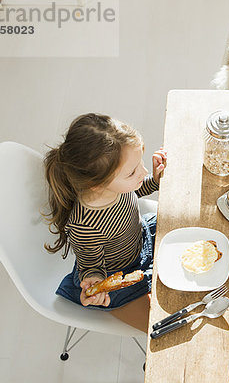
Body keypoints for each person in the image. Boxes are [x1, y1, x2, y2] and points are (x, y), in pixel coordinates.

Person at [43, 113, 167, 332]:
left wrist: (155, 180)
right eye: (133, 171)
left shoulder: (113, 186)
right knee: (161, 326)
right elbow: (91, 265)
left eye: (140, 164)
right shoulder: (85, 225)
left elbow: (135, 190)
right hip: (118, 275)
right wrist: (95, 283)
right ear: (96, 185)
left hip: (140, 240)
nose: (144, 171)